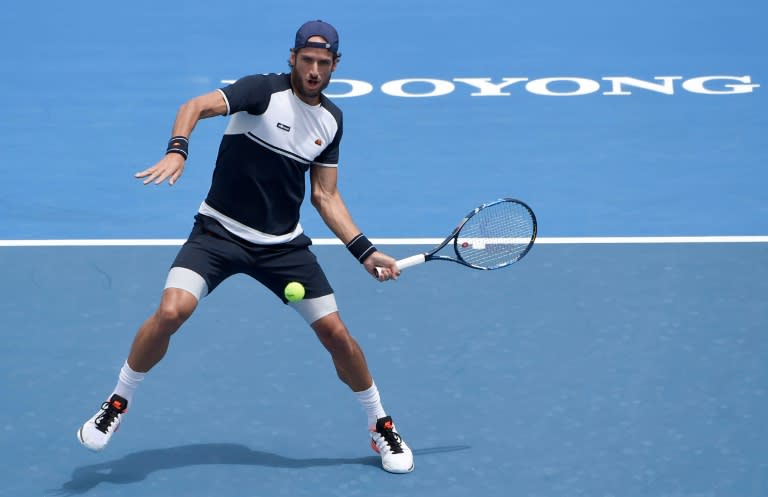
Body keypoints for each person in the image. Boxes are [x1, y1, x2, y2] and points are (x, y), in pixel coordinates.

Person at [76, 19, 414, 474]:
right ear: (292, 58)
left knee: (337, 336)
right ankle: (117, 402)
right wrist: (178, 149)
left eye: (324, 63)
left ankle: (381, 424)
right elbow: (194, 105)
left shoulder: (332, 119)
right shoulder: (260, 91)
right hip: (217, 234)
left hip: (282, 248)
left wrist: (364, 251)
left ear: (335, 66)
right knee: (172, 310)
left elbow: (325, 195)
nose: (315, 70)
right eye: (307, 60)